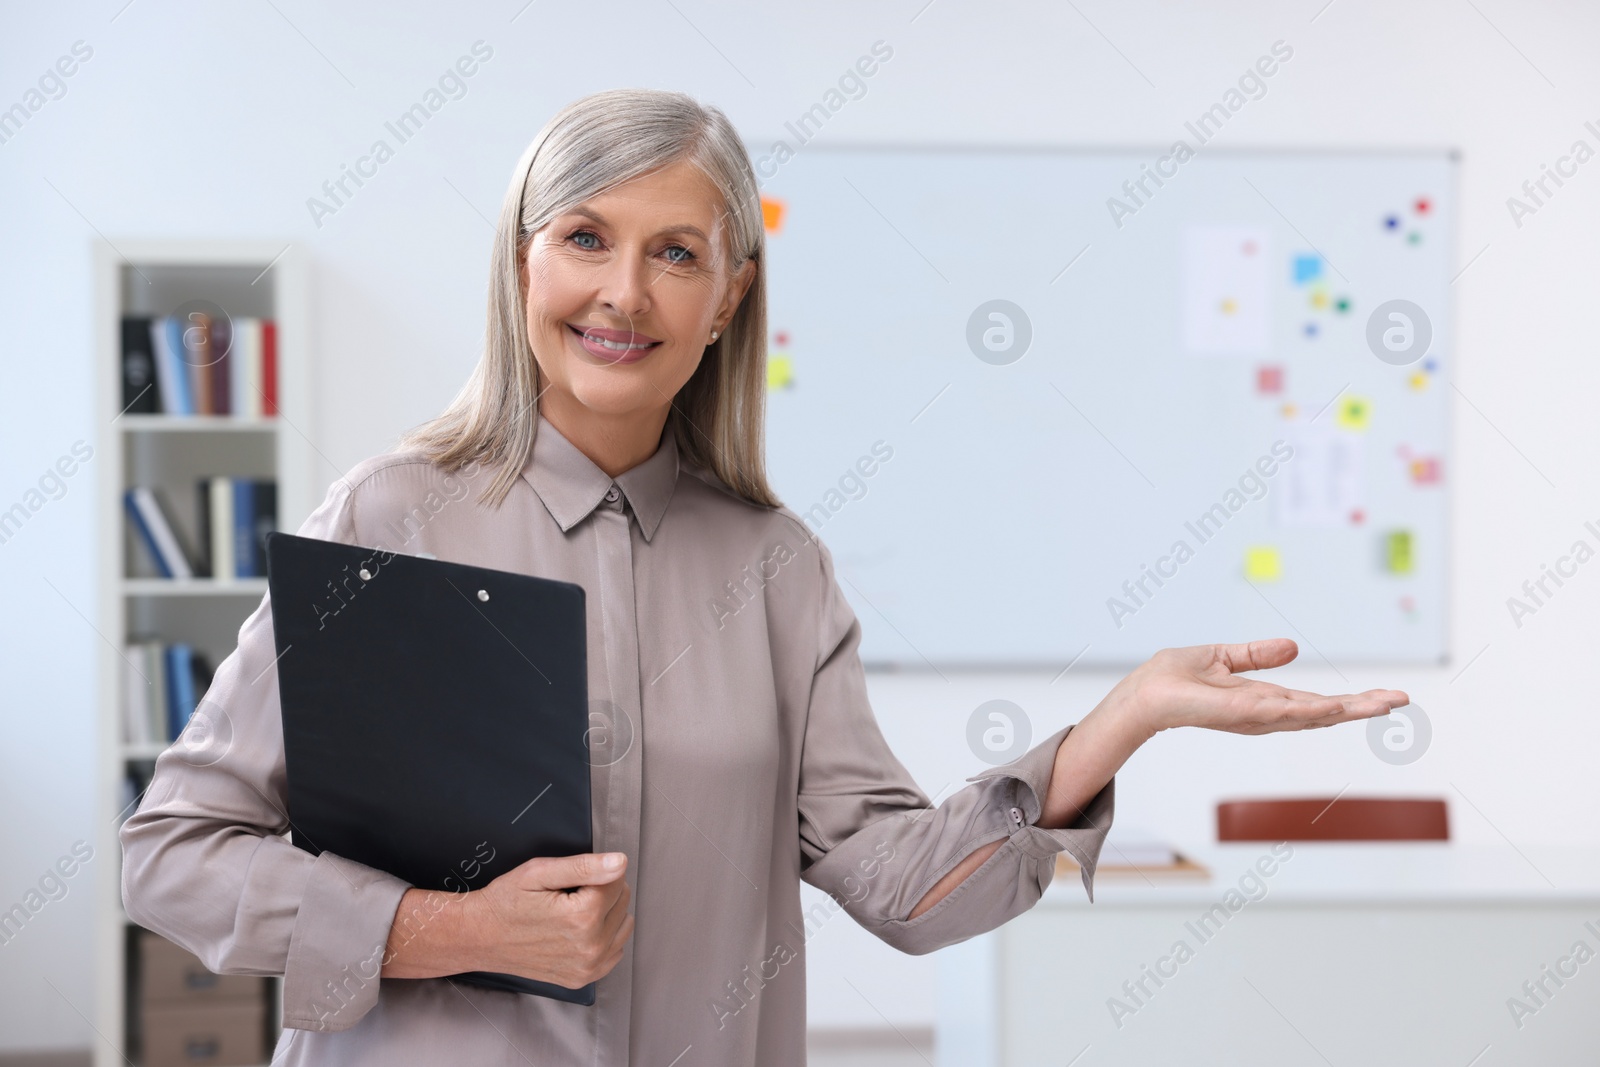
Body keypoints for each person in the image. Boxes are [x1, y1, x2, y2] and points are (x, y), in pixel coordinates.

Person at [120, 88, 1408, 1066]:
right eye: (585, 237)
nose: (623, 293)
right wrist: (449, 933)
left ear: (730, 296)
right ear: (524, 264)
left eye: (676, 253)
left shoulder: (777, 571)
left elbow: (901, 888)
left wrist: (1126, 716)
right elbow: (171, 856)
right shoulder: (388, 517)